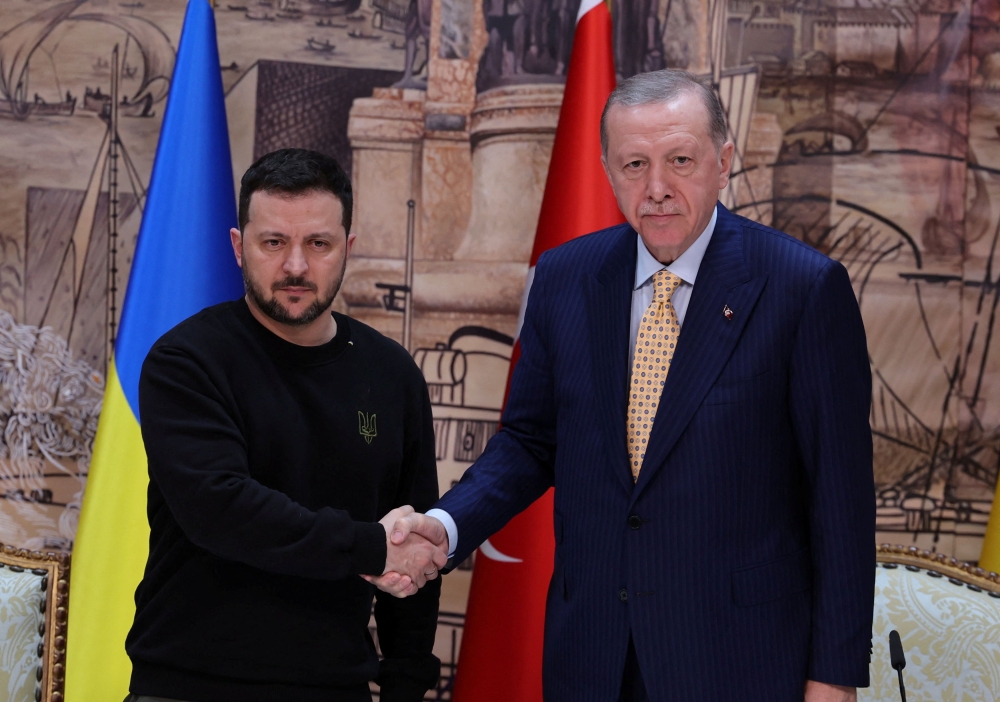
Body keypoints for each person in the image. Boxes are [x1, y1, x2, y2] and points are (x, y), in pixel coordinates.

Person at [376, 70, 876, 701]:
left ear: (723, 162)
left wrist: (834, 676)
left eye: (681, 160)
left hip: (739, 661)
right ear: (608, 171)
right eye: (635, 164)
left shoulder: (802, 289)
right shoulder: (566, 277)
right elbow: (531, 441)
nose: (657, 188)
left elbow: (842, 501)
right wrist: (445, 528)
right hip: (594, 655)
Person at [124, 148, 448, 702]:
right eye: (273, 242)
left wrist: (404, 684)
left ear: (347, 248)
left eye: (317, 244)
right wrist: (371, 547)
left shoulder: (391, 374)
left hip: (338, 687)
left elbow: (411, 542)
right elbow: (223, 510)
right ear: (238, 247)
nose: (295, 266)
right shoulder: (186, 362)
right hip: (189, 686)